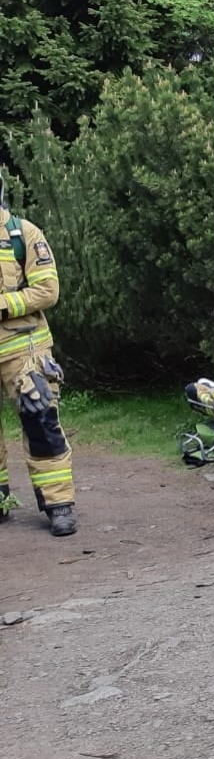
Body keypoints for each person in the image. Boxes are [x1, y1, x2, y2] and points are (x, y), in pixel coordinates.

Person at [0, 185, 77, 537]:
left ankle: (58, 504)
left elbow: (48, 290)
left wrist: (4, 305)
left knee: (40, 420)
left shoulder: (22, 233)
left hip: (23, 347)